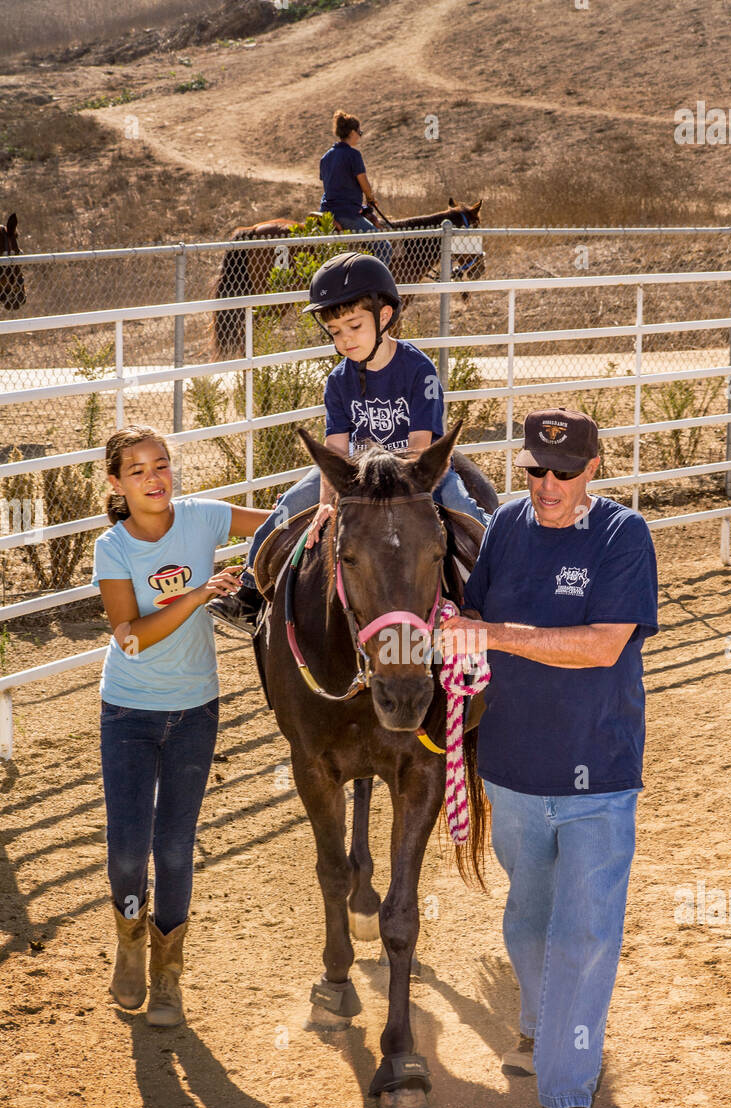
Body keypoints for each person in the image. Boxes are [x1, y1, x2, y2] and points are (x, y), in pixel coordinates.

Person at [442, 409, 659, 1108]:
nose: (548, 484)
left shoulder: (622, 538)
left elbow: (602, 649)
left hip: (599, 773)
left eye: (564, 472)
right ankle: (536, 1024)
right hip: (512, 770)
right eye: (536, 469)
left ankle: (567, 1096)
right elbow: (474, 608)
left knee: (586, 933)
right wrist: (457, 622)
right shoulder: (504, 527)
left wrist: (494, 635)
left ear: (593, 468)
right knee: (528, 918)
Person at [207, 252, 490, 635]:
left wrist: (395, 485)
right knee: (290, 503)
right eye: (336, 331)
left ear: (385, 316)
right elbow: (336, 449)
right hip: (356, 472)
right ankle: (247, 591)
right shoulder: (338, 381)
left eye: (354, 326)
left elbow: (422, 446)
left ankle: (498, 579)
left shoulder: (419, 370)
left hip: (415, 472)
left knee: (463, 508)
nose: (345, 339)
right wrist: (326, 502)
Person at [93, 425, 272, 1027]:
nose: (153, 478)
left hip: (196, 709)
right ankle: (129, 941)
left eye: (161, 465)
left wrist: (336, 504)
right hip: (128, 711)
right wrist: (198, 596)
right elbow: (131, 637)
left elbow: (277, 525)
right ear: (116, 483)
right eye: (137, 470)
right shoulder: (113, 548)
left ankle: (167, 978)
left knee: (173, 848)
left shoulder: (203, 518)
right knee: (126, 852)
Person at [319, 109, 391, 265]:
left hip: (326, 211)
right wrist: (371, 198)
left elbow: (333, 185)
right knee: (385, 247)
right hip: (346, 213)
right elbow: (363, 183)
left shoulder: (325, 157)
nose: (360, 135)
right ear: (352, 132)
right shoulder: (353, 155)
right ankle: (374, 283)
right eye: (360, 132)